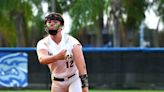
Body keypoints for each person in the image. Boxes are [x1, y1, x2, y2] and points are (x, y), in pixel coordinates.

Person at [36, 12, 89, 92]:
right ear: (45, 27)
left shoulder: (72, 42)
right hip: (57, 82)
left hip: (73, 79)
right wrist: (58, 57)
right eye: (49, 22)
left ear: (61, 26)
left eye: (55, 22)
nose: (52, 24)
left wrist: (84, 86)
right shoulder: (43, 43)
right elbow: (42, 59)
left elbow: (82, 66)